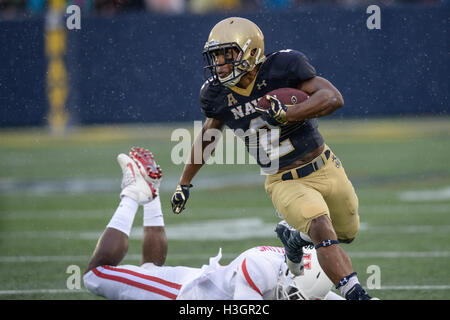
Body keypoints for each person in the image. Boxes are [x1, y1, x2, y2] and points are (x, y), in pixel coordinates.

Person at [170, 17, 373, 300]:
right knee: (320, 228)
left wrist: (288, 114)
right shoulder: (216, 94)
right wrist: (184, 182)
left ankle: (294, 237)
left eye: (226, 56)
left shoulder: (283, 68)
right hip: (283, 180)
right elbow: (208, 137)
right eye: (215, 57)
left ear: (250, 52)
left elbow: (333, 97)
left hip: (324, 165)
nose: (219, 65)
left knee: (346, 234)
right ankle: (357, 295)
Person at [83, 147, 344, 300]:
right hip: (182, 294)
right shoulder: (257, 268)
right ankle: (132, 194)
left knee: (149, 269)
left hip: (200, 282)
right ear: (290, 273)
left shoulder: (311, 278)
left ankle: (149, 191)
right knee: (95, 276)